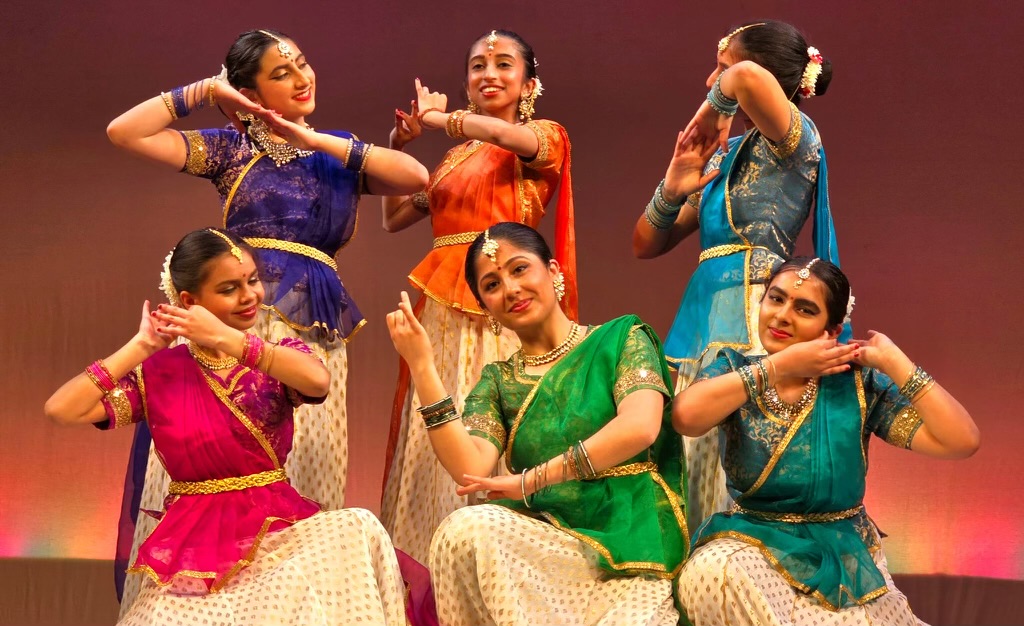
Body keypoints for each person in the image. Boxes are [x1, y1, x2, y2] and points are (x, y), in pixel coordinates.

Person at [105, 28, 429, 606]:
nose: (302, 77)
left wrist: (313, 138)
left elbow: (414, 178)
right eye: (282, 73)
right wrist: (204, 90)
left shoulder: (336, 154)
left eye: (303, 64)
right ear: (249, 90)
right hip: (231, 321)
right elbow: (123, 132)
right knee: (221, 454)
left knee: (306, 462)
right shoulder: (231, 151)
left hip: (310, 330)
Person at [44, 229, 411, 626]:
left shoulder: (275, 358)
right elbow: (61, 410)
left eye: (252, 280)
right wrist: (141, 348)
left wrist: (226, 339)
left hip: (275, 531)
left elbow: (317, 381)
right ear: (189, 302)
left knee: (355, 529)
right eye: (229, 288)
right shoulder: (159, 374)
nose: (250, 295)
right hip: (193, 543)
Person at [387, 223, 685, 625]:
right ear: (486, 308)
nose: (510, 288)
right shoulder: (499, 381)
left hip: (631, 535)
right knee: (465, 530)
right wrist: (422, 365)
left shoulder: (622, 338)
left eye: (519, 269)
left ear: (554, 272)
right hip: (546, 538)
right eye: (492, 284)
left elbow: (640, 428)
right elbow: (471, 469)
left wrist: (532, 480)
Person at [673, 257, 980, 625]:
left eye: (804, 309)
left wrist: (897, 364)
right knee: (711, 572)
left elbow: (961, 440)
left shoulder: (855, 384)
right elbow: (685, 417)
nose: (782, 315)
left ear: (832, 329)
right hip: (754, 544)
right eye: (776, 299)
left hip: (842, 556)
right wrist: (780, 367)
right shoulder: (733, 368)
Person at [631, 20, 844, 531]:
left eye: (720, 68)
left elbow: (744, 75)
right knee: (689, 458)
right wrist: (672, 185)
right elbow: (644, 243)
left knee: (737, 454)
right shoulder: (723, 155)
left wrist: (718, 105)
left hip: (758, 313)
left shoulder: (796, 139)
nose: (714, 79)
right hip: (703, 316)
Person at [379, 29, 577, 563]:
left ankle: (492, 567)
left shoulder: (544, 137)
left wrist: (440, 121)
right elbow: (395, 216)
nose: (488, 73)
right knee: (432, 433)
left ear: (528, 82)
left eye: (503, 64)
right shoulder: (450, 160)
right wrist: (402, 145)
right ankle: (428, 574)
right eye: (477, 66)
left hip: (503, 307)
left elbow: (506, 138)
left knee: (492, 427)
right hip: (443, 314)